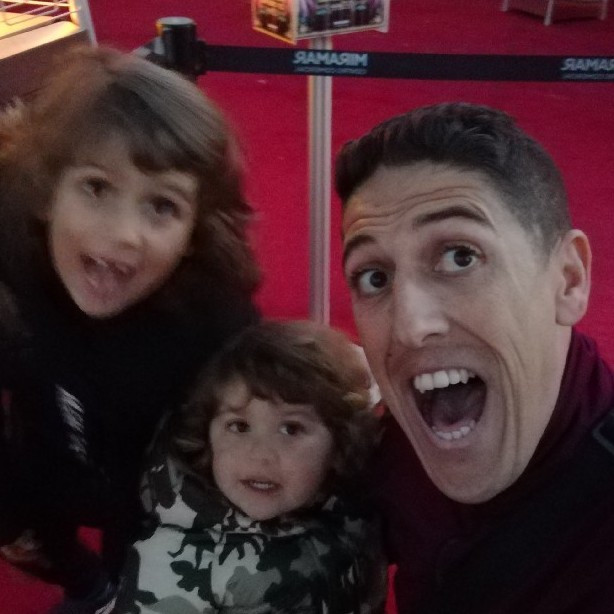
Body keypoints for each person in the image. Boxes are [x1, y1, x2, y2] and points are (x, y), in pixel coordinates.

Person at [0, 45, 259, 613]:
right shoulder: (15, 252)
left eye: (162, 206)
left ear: (193, 231)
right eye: (96, 188)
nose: (123, 233)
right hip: (44, 435)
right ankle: (83, 583)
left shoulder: (209, 326)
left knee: (137, 553)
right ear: (46, 192)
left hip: (143, 475)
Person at [335, 102, 614, 613]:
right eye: (374, 277)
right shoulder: (390, 449)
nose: (410, 327)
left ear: (568, 281)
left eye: (460, 256)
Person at [116, 320, 387, 613]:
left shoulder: (351, 510)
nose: (260, 454)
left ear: (339, 442)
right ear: (207, 436)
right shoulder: (175, 562)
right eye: (239, 426)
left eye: (291, 429)